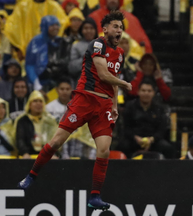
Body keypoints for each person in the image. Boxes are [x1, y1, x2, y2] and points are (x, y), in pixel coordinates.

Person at [17, 11, 132, 210]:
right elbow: (104, 75)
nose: (119, 30)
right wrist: (124, 83)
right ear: (105, 29)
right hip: (84, 99)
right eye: (115, 26)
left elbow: (111, 80)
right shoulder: (97, 45)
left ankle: (95, 196)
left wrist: (114, 105)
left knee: (104, 150)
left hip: (103, 106)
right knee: (56, 141)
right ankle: (31, 176)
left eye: (121, 27)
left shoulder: (120, 53)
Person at [117, 79, 174, 159]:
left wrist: (151, 139)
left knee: (167, 148)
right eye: (143, 90)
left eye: (149, 91)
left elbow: (161, 130)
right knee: (122, 147)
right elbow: (126, 128)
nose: (146, 93)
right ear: (138, 92)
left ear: (153, 93)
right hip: (134, 140)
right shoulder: (130, 107)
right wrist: (136, 138)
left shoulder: (159, 109)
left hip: (153, 141)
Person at [4, 0, 69, 57]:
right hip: (27, 52)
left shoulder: (54, 6)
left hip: (49, 52)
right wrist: (19, 48)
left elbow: (63, 23)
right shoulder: (23, 6)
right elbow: (12, 27)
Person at [25, 16, 69, 92]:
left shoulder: (60, 41)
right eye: (52, 25)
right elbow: (30, 65)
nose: (55, 28)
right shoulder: (36, 41)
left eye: (57, 25)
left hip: (57, 83)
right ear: (45, 27)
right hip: (39, 83)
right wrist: (36, 84)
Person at [15, 91, 58, 158]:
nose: (38, 103)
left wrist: (53, 153)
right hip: (29, 154)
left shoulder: (50, 120)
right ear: (29, 104)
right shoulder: (22, 120)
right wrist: (25, 153)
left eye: (41, 101)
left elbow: (55, 139)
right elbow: (20, 140)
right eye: (35, 101)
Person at [68, 17, 98, 88]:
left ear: (95, 30)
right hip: (82, 84)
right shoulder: (76, 46)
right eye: (86, 28)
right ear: (81, 30)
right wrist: (86, 58)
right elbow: (71, 68)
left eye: (91, 28)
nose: (88, 31)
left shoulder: (103, 44)